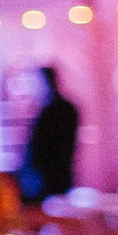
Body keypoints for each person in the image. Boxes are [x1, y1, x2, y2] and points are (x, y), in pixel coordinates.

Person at [19, 64, 79, 204]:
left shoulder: (55, 110)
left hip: (47, 177)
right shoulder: (65, 108)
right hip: (53, 175)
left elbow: (46, 147)